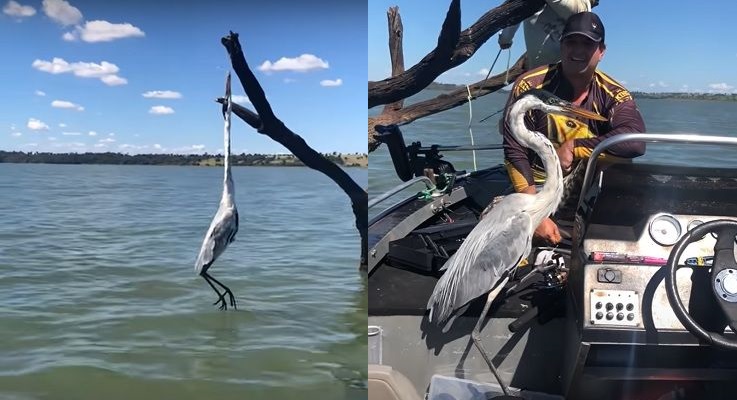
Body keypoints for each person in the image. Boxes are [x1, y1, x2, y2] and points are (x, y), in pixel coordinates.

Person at [500, 11, 646, 244]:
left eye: (587, 44)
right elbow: (513, 147)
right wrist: (534, 214)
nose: (578, 50)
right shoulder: (531, 85)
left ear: (601, 51)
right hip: (536, 188)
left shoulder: (614, 94)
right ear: (561, 45)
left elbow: (635, 142)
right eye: (571, 42)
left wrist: (574, 147)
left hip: (587, 190)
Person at [498, 0, 596, 69]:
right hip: (568, 78)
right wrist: (505, 38)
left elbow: (514, 15)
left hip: (539, 75)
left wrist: (505, 39)